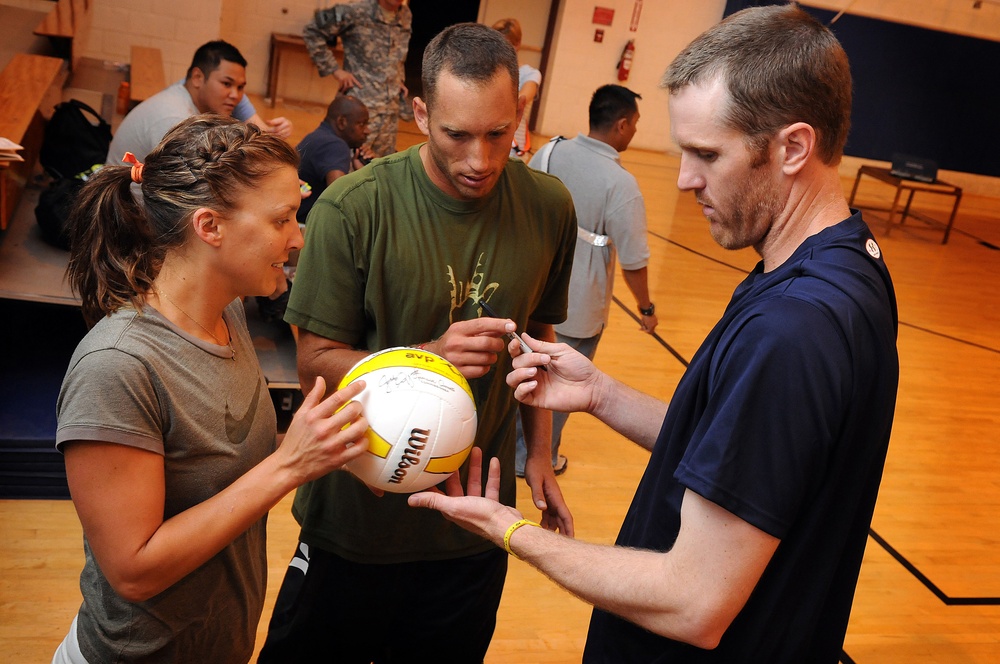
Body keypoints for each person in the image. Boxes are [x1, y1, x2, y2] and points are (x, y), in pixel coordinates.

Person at [409, 6, 900, 662]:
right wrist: (600, 394)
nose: (684, 179)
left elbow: (693, 601)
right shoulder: (843, 264)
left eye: (706, 154)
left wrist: (510, 529)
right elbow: (741, 453)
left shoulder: (794, 331)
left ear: (793, 147)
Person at [258, 22, 578, 663]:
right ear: (420, 110)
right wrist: (427, 357)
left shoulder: (549, 207)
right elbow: (315, 362)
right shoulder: (351, 207)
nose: (480, 161)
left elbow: (540, 337)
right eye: (456, 135)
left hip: (474, 524)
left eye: (497, 133)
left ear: (520, 112)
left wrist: (537, 452)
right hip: (356, 523)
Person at [51, 115, 371, 663]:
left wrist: (319, 449)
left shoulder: (230, 314)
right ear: (209, 226)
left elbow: (219, 468)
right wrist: (288, 466)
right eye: (282, 219)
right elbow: (132, 571)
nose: (298, 238)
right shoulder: (117, 367)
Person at [515, 83, 657, 477]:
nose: (635, 132)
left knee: (522, 373)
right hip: (578, 306)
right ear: (623, 125)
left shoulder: (550, 150)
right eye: (636, 124)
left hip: (528, 290)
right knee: (559, 387)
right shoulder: (621, 184)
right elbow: (634, 260)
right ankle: (541, 457)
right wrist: (646, 308)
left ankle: (508, 448)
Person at [108, 40, 291, 163]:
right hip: (125, 215)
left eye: (241, 87)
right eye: (226, 83)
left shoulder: (208, 98)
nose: (236, 95)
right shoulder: (175, 119)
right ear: (197, 77)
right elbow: (195, 186)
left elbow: (262, 136)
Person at [302, 0, 411, 158]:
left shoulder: (405, 15)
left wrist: (398, 77)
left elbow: (397, 52)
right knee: (352, 165)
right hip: (360, 108)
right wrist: (335, 70)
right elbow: (312, 32)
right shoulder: (354, 10)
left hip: (389, 110)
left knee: (381, 165)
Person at [295, 94, 372, 223]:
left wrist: (361, 170)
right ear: (342, 122)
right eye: (361, 124)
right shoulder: (336, 146)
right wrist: (368, 174)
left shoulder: (317, 136)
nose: (367, 130)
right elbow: (341, 199)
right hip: (304, 225)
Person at [491, 17, 541, 158]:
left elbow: (523, 98)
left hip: (513, 146)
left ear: (517, 44)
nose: (500, 50)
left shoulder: (530, 74)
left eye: (506, 45)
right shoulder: (484, 72)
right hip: (487, 143)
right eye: (495, 45)